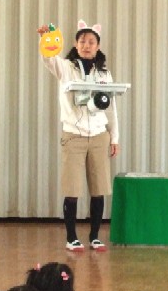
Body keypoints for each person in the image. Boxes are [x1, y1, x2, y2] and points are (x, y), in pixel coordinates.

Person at [37, 20, 120, 252]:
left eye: (91, 41)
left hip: (99, 135)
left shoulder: (104, 73)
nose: (86, 45)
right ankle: (72, 238)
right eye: (82, 41)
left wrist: (114, 137)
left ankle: (95, 236)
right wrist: (45, 39)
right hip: (73, 135)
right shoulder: (65, 67)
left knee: (99, 188)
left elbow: (111, 107)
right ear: (75, 44)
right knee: (72, 189)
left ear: (98, 46)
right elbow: (48, 59)